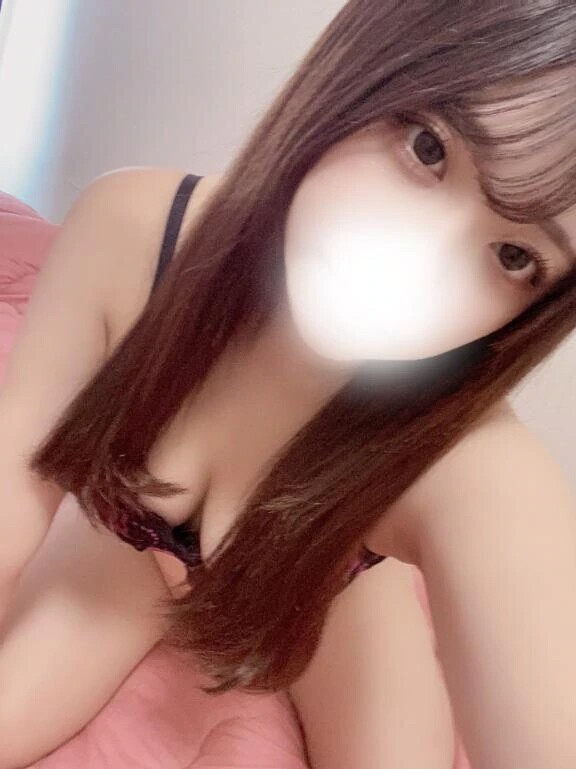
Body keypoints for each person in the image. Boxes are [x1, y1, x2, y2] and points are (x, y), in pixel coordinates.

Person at [1, 1, 576, 767]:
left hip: (326, 587)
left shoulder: (462, 459)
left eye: (514, 257)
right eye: (427, 147)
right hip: (121, 545)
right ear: (360, 69)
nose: (422, 268)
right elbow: (12, 486)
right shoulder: (133, 230)